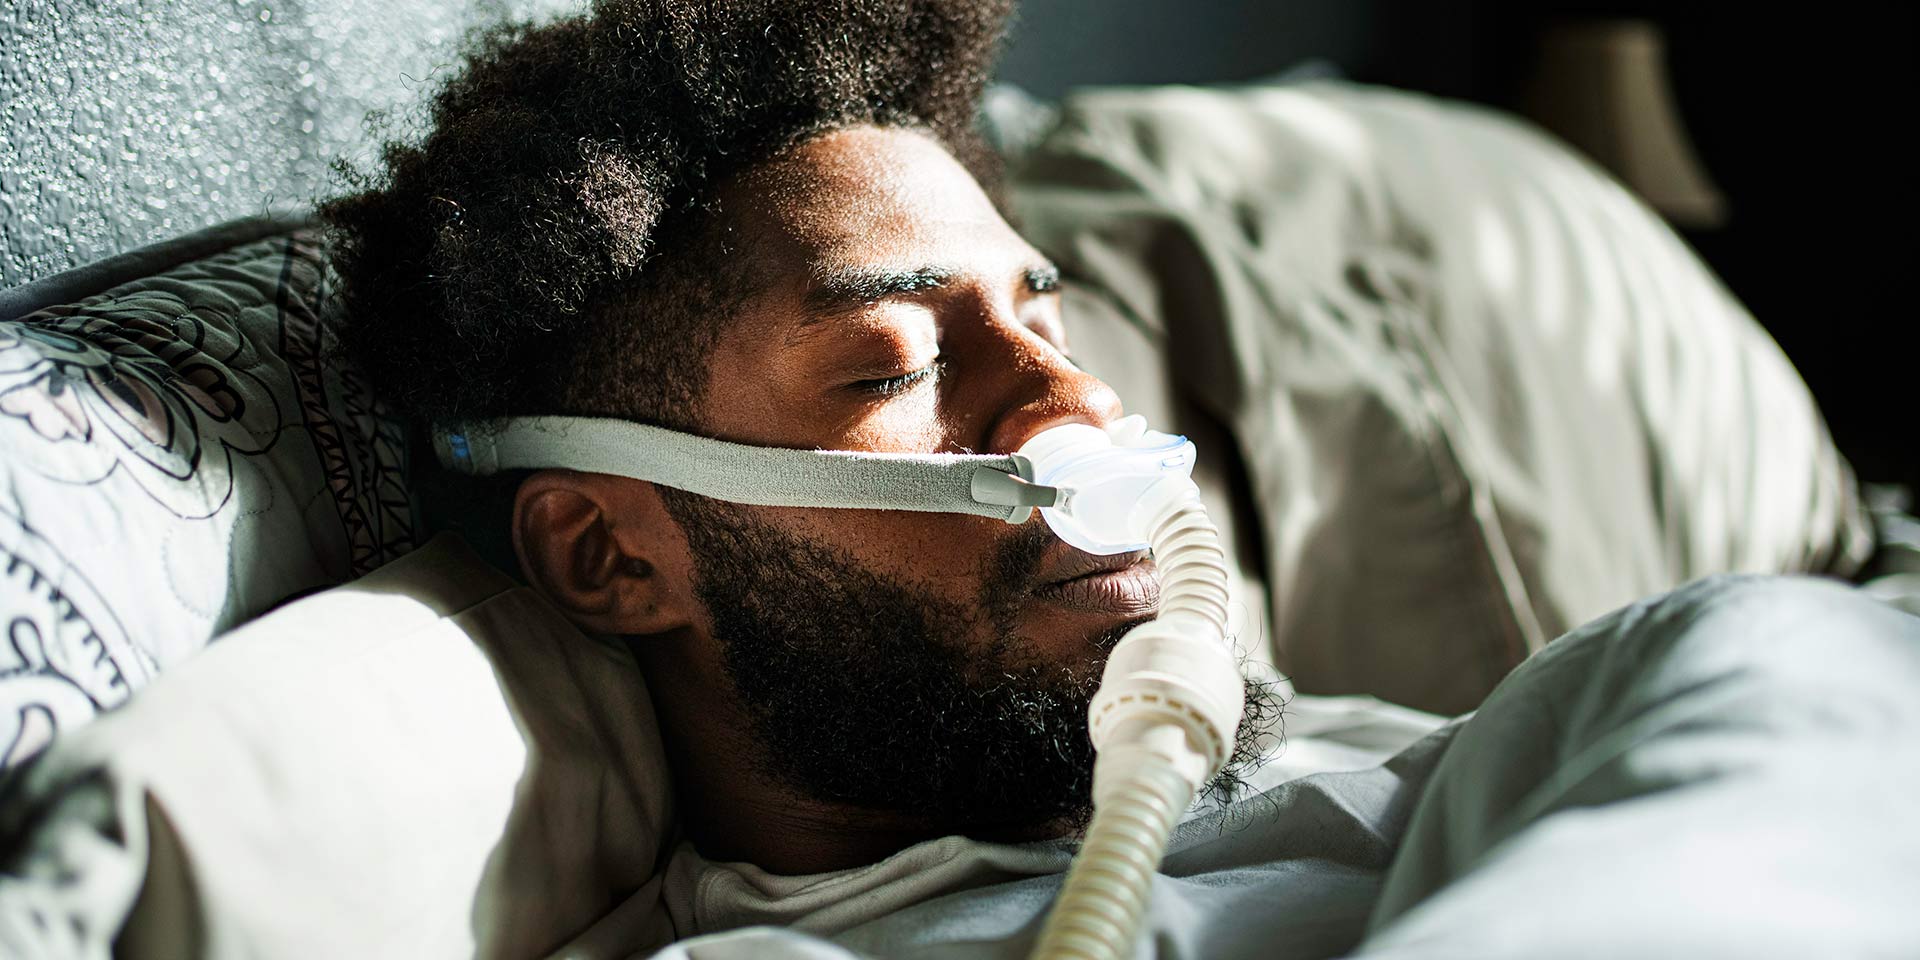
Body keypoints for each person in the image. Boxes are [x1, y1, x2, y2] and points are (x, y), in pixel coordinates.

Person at [319, 2, 1920, 957]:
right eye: (894, 369)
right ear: (609, 556)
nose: (1072, 408)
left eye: (1046, 315)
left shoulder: (1433, 746)